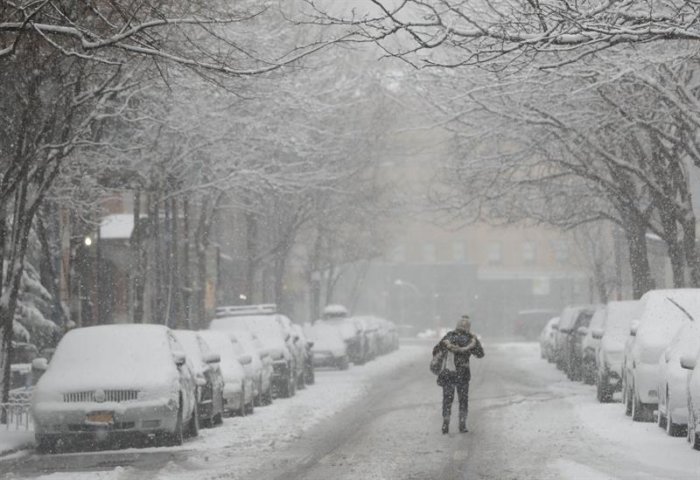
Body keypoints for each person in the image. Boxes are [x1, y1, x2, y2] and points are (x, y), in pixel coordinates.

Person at [435, 315, 479, 434]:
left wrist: (446, 349)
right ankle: (462, 423)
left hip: (449, 373)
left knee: (447, 399)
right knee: (463, 400)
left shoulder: (449, 336)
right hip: (463, 373)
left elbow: (436, 350)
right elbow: (480, 354)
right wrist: (475, 341)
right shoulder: (470, 339)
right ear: (468, 327)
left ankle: (446, 421)